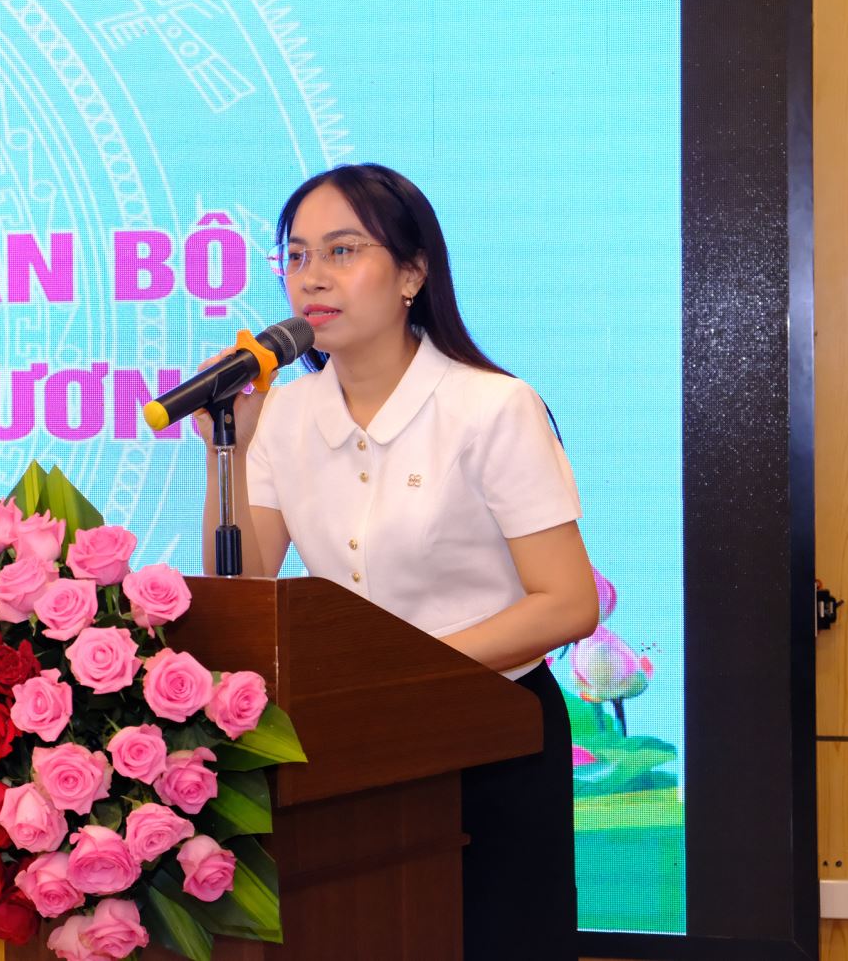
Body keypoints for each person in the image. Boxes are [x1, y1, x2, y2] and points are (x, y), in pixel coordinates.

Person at [195, 162, 598, 960]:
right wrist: (226, 447)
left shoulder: (491, 406)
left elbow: (568, 601)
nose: (313, 276)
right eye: (297, 255)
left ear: (413, 273)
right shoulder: (285, 412)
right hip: (352, 746)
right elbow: (245, 584)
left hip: (490, 739)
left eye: (343, 251)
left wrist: (405, 675)